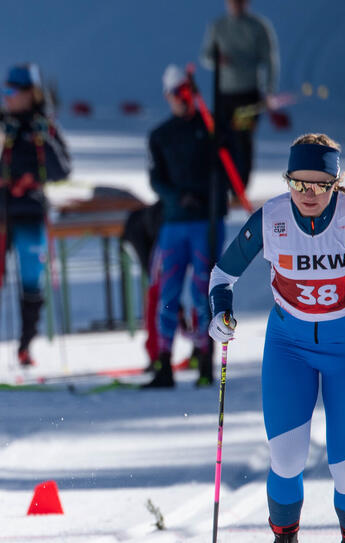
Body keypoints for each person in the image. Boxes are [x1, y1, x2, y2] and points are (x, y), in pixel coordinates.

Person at [207, 134, 345, 543]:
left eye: (320, 185)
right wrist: (220, 312)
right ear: (287, 180)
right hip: (289, 347)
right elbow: (223, 275)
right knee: (286, 461)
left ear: (335, 183)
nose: (308, 194)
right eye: (298, 183)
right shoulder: (271, 218)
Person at [0, 63, 70, 369]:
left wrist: (44, 141)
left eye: (13, 91)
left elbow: (62, 169)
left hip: (30, 211)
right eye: (6, 90)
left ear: (31, 93)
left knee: (31, 280)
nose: (8, 97)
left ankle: (26, 346)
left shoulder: (43, 126)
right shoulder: (0, 124)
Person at [142, 65, 229, 388]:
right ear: (168, 97)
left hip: (206, 223)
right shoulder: (161, 136)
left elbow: (230, 168)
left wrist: (212, 199)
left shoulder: (211, 130)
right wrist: (180, 197)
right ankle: (164, 361)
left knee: (204, 289)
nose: (183, 100)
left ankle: (205, 357)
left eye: (187, 93)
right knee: (169, 289)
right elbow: (156, 179)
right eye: (178, 95)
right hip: (176, 223)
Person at [199, 0, 279, 192]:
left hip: (248, 96)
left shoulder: (258, 27)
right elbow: (205, 56)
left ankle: (240, 186)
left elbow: (270, 60)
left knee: (242, 139)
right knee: (221, 139)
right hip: (224, 96)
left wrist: (269, 90)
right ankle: (224, 184)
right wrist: (217, 59)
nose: (236, 5)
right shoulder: (218, 26)